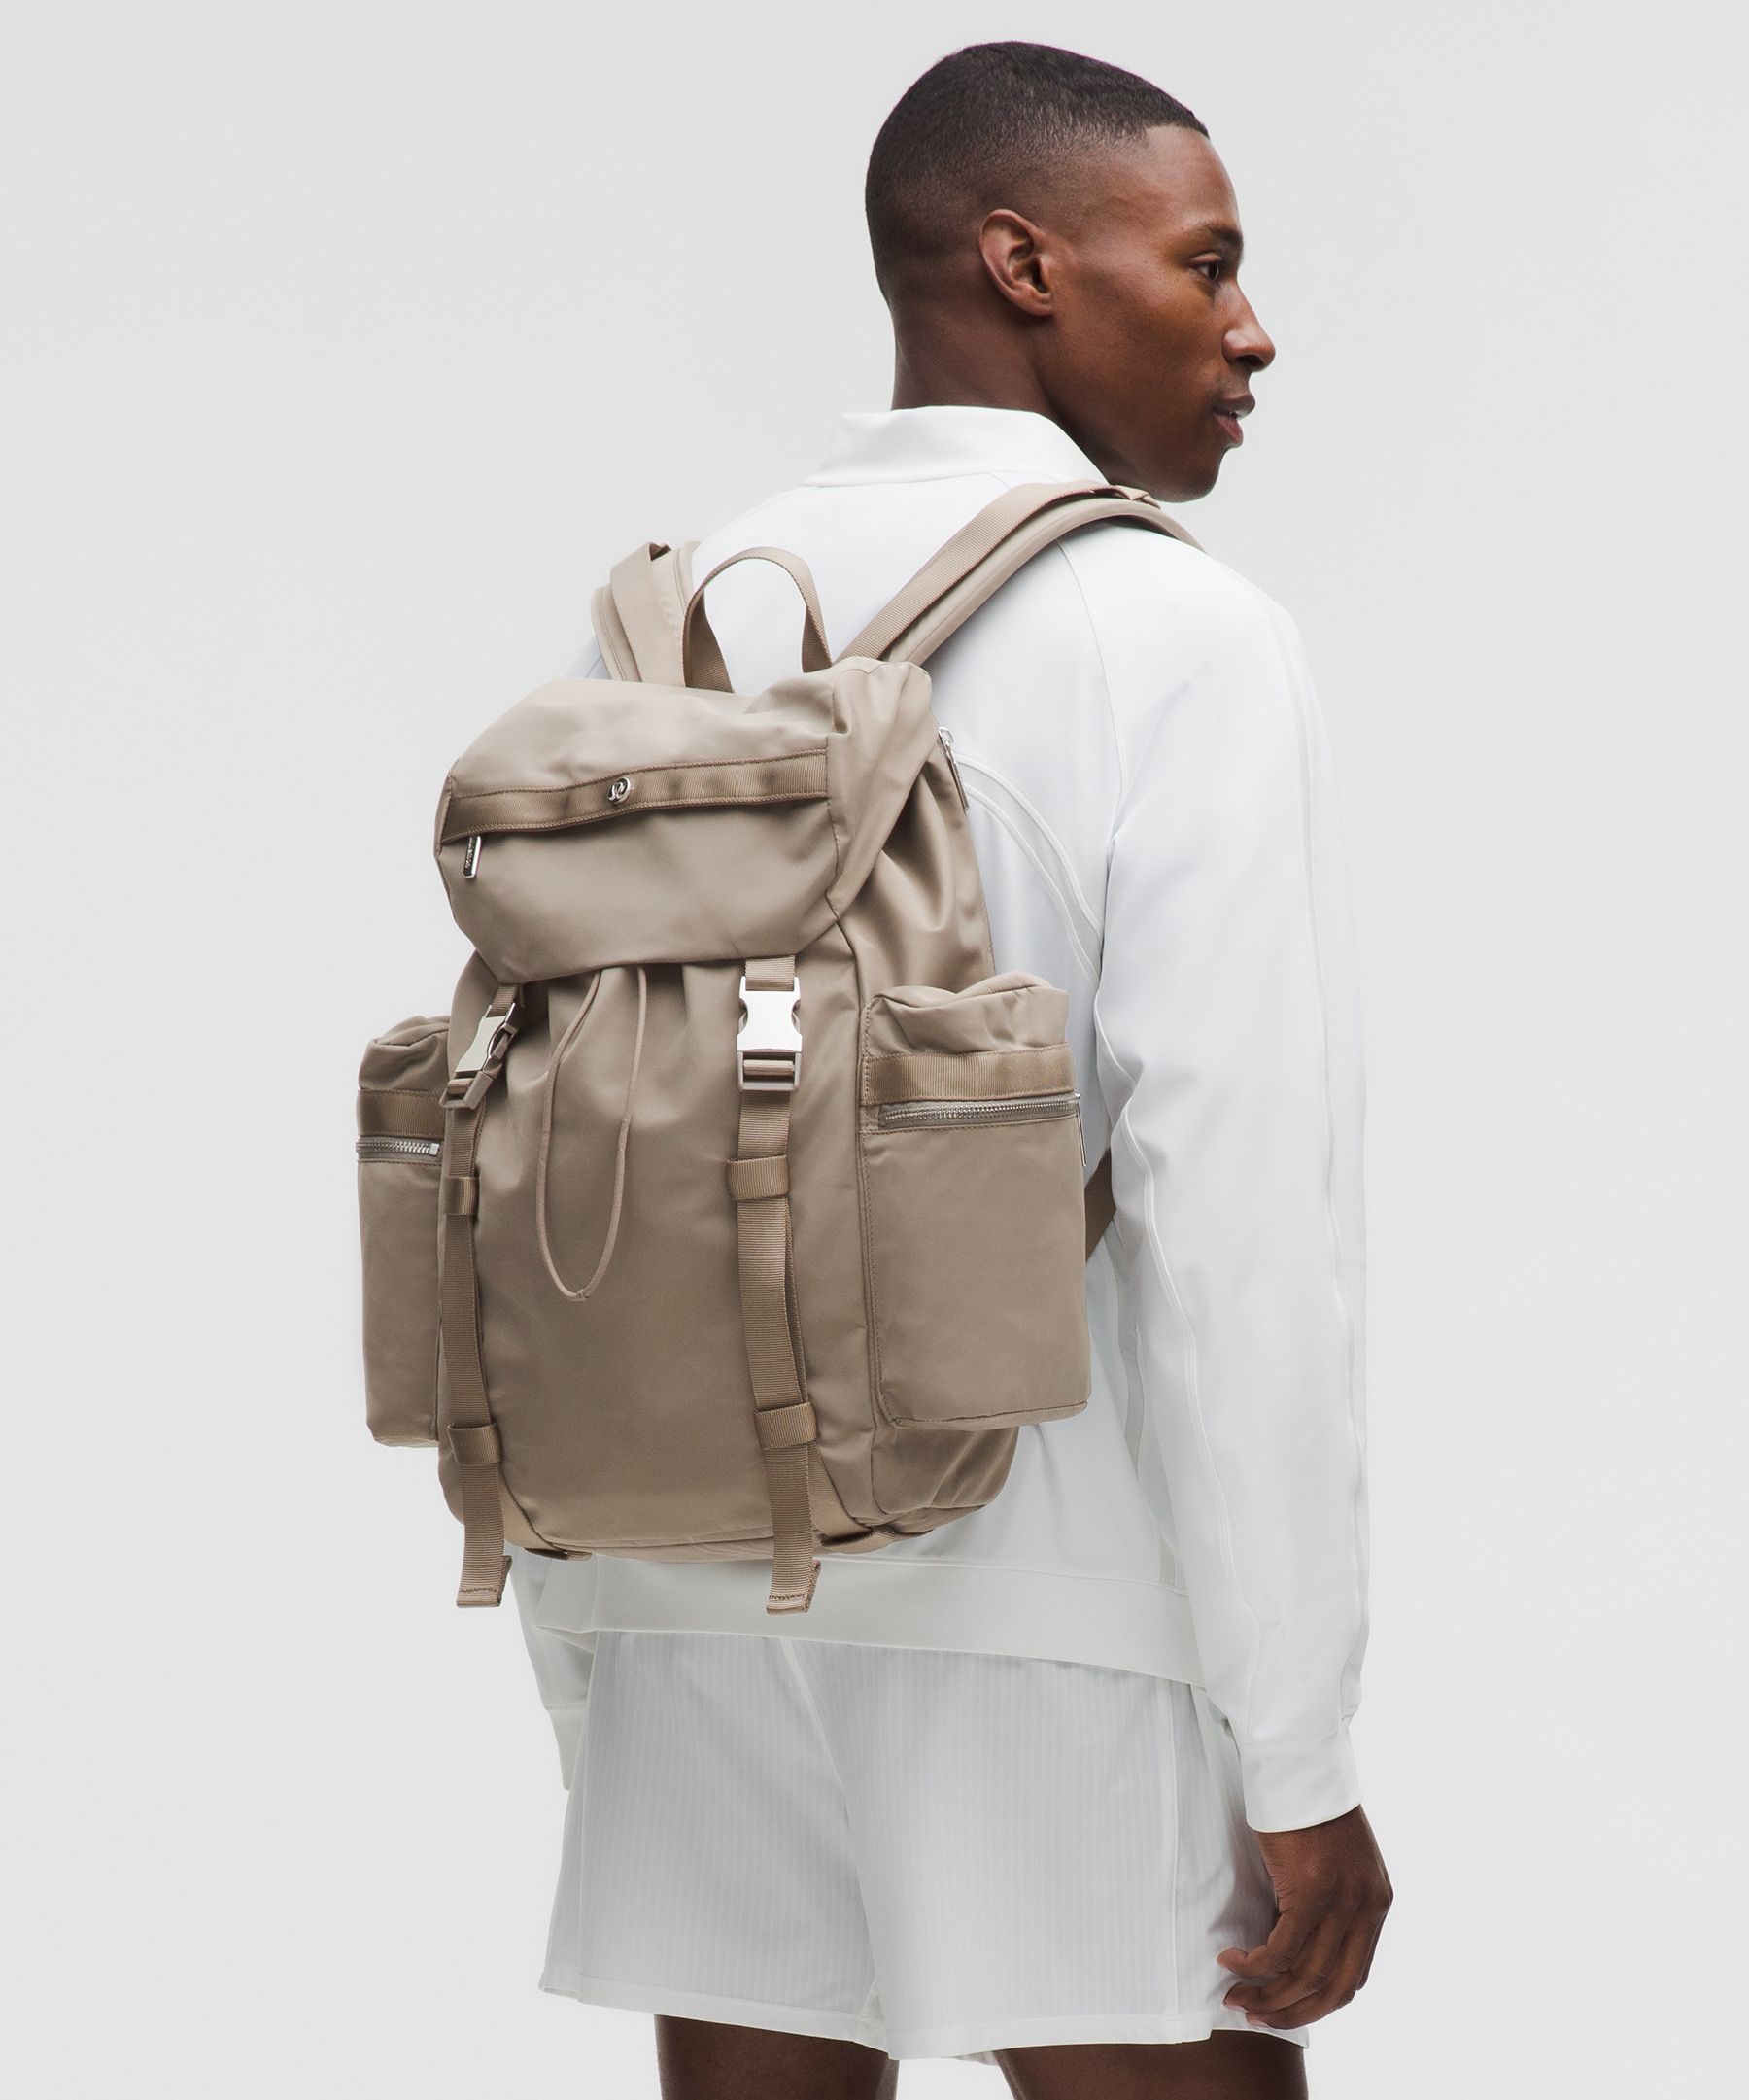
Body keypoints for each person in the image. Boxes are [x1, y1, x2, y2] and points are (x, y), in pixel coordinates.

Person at [507, 40, 1391, 2100]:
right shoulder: (1177, 638)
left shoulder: (669, 624)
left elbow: (559, 1148)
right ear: (1023, 262)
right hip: (1050, 1607)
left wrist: (593, 1637)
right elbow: (1243, 1226)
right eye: (1207, 263)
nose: (1253, 330)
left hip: (683, 1588)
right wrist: (1302, 1749)